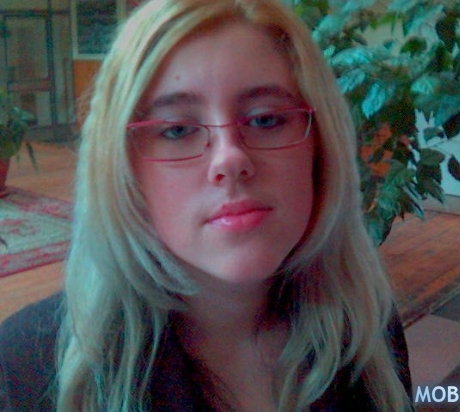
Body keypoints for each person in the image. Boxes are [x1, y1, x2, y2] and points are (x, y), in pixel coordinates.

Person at [0, 0, 414, 410]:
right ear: (122, 168)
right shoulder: (23, 371)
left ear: (320, 148)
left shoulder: (367, 328)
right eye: (177, 130)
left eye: (266, 119)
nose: (229, 159)